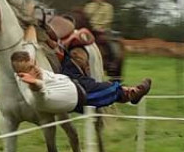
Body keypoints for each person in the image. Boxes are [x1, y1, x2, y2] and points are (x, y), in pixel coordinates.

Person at [11, 26, 151, 113]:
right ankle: (132, 94)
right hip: (77, 94)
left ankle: (130, 92)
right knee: (108, 89)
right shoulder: (31, 92)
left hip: (68, 77)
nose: (36, 67)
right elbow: (39, 94)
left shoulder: (27, 62)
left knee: (72, 54)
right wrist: (35, 84)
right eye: (31, 67)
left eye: (33, 63)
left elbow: (30, 38)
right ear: (22, 75)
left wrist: (33, 25)